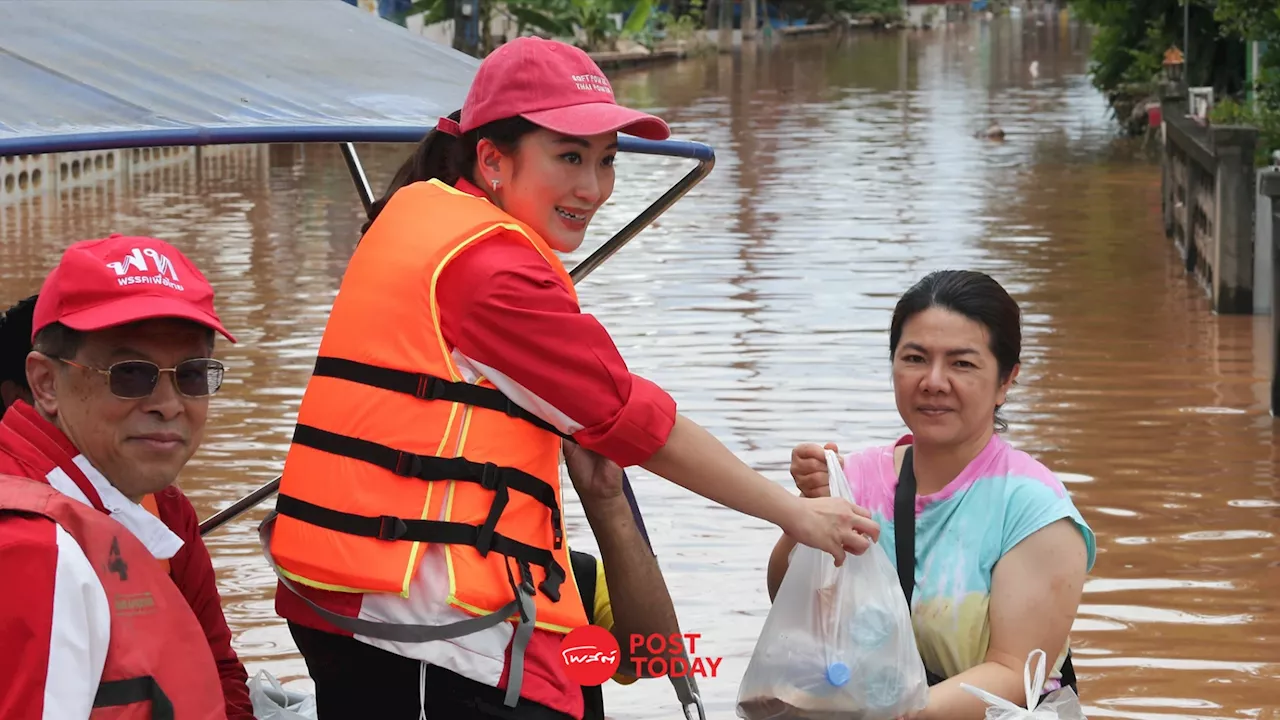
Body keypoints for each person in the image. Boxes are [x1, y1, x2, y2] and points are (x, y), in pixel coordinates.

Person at [266, 36, 879, 720]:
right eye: (568, 157)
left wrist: (609, 499)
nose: (592, 188)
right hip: (418, 621)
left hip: (348, 597)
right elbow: (638, 420)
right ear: (492, 159)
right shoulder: (490, 271)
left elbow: (647, 649)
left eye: (607, 160)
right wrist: (795, 512)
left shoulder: (419, 215)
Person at [768, 270, 1096, 719]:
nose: (934, 381)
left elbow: (1014, 672)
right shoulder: (856, 478)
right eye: (915, 358)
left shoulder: (1033, 508)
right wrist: (805, 513)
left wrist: (892, 713)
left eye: (962, 363)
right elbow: (788, 604)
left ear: (1006, 380)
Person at [0, 234, 251, 718]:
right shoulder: (33, 550)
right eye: (130, 374)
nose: (169, 404)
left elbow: (219, 668)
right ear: (46, 384)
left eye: (193, 374)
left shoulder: (161, 508)